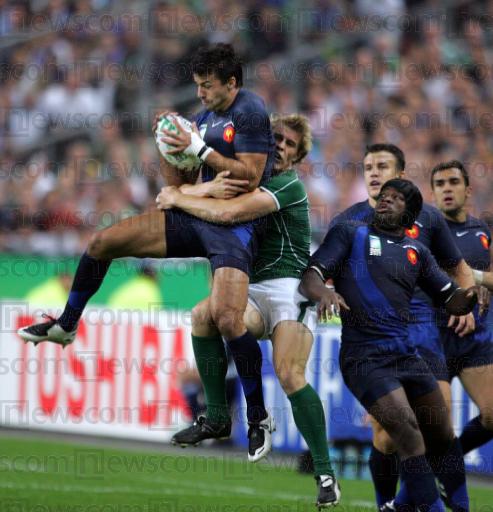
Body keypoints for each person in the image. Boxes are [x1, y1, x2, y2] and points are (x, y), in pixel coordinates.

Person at [17, 43, 276, 454]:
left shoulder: (250, 111)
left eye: (207, 86)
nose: (200, 94)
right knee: (103, 242)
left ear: (231, 83)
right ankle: (66, 324)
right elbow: (176, 188)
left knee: (227, 319)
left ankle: (257, 416)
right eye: (197, 86)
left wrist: (199, 150)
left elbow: (250, 176)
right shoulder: (204, 118)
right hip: (198, 215)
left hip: (236, 225)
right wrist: (168, 146)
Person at [156, 114, 340, 507]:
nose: (281, 147)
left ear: (297, 157)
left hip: (289, 289)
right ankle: (216, 417)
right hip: (251, 288)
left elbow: (227, 213)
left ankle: (325, 473)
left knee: (289, 375)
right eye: (276, 139)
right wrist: (186, 179)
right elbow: (200, 202)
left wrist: (180, 195)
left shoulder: (287, 184)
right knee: (204, 314)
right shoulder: (243, 177)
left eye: (290, 144)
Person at [300, 179, 478, 511]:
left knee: (441, 435)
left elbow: (451, 298)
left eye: (396, 199)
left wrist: (470, 296)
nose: (385, 201)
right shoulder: (350, 233)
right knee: (408, 434)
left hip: (406, 354)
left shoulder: (418, 252)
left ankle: (409, 506)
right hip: (364, 357)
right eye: (384, 196)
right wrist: (324, 292)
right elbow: (310, 275)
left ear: (409, 215)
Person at [431, 161, 493, 463]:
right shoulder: (424, 230)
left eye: (453, 182)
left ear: (468, 190)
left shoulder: (481, 231)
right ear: (433, 193)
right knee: (437, 425)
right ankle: (419, 483)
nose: (447, 189)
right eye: (440, 184)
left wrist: (475, 279)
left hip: (473, 340)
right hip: (434, 339)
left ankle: (449, 463)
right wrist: (457, 297)